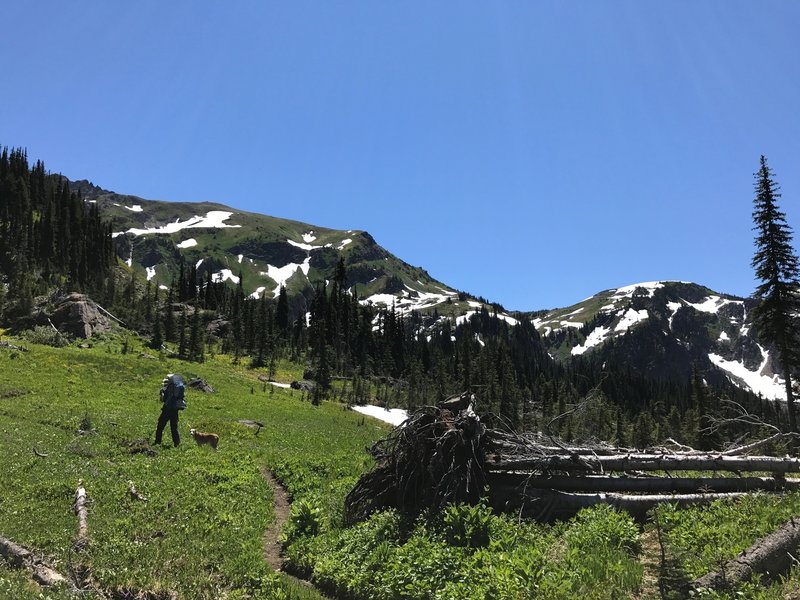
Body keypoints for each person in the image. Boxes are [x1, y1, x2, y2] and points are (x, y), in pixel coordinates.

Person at [155, 373, 182, 446]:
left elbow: (163, 400)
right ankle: (177, 443)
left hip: (166, 410)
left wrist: (161, 393)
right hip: (175, 410)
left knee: (160, 426)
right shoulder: (177, 388)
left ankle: (157, 441)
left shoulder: (167, 388)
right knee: (174, 428)